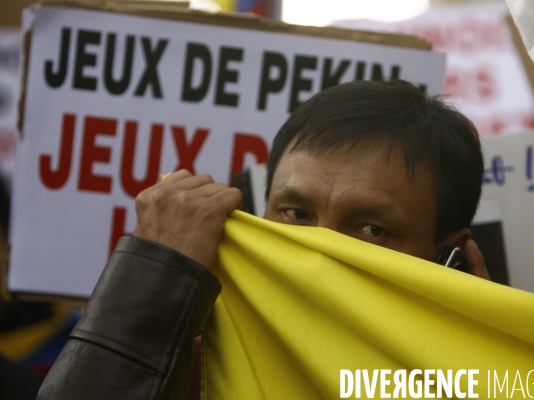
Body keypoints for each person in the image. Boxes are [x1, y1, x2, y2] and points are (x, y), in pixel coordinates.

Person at [36, 79, 489, 399]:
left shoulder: (502, 382)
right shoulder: (188, 364)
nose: (316, 250)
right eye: (295, 214)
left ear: (450, 257)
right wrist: (153, 275)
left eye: (371, 229)